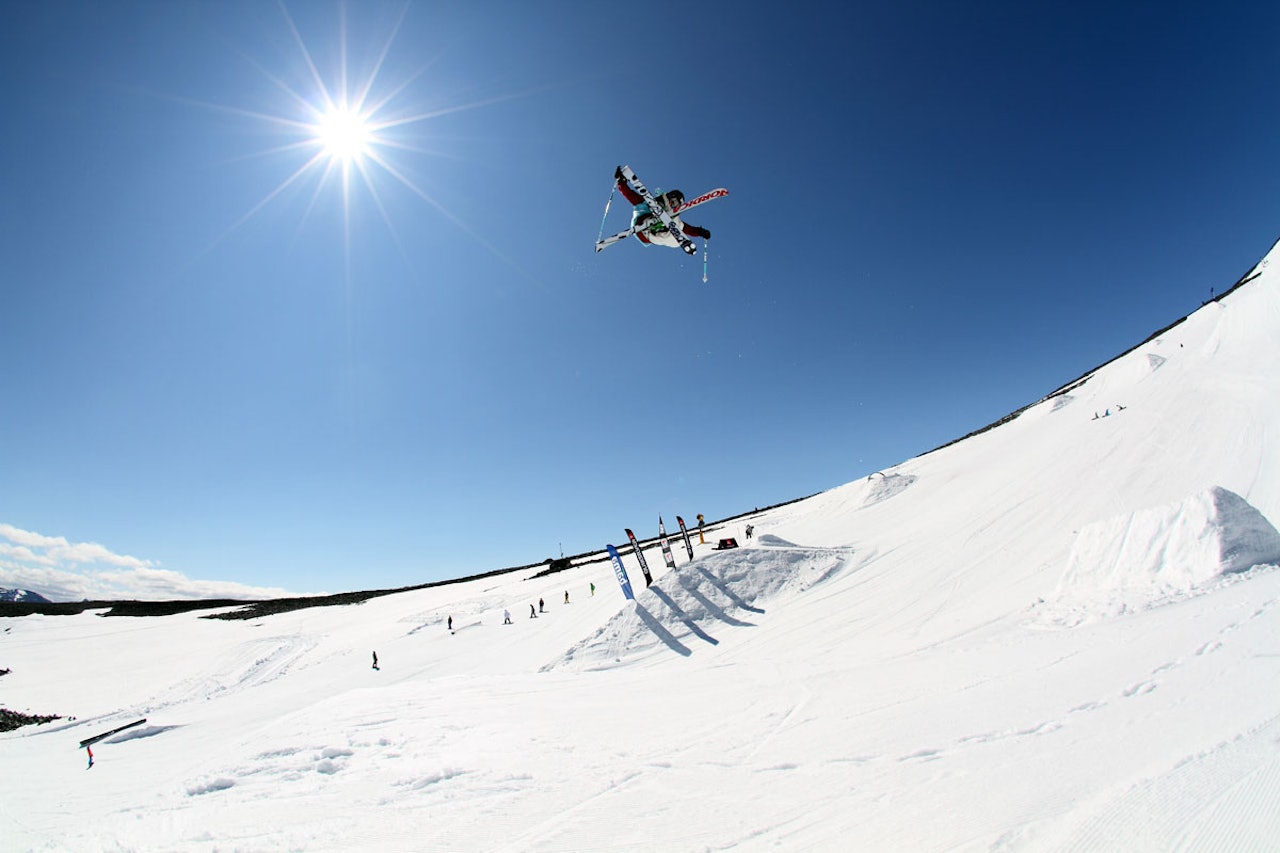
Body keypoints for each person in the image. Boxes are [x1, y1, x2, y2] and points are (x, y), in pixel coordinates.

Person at [615, 166, 711, 248]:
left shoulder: (673, 218)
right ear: (669, 198)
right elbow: (631, 195)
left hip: (652, 236)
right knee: (675, 221)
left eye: (676, 204)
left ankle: (671, 234)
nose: (673, 205)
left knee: (678, 226)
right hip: (641, 224)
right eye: (673, 201)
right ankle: (654, 222)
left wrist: (700, 232)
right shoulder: (648, 203)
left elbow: (687, 229)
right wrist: (621, 183)